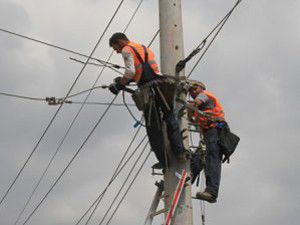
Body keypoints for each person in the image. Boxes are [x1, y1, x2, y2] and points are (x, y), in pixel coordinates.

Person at [108, 32, 185, 168]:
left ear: (120, 42)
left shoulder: (126, 49)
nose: (117, 52)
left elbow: (131, 71)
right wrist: (126, 80)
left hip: (149, 91)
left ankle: (164, 161)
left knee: (153, 127)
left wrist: (120, 85)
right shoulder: (143, 47)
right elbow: (144, 70)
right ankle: (180, 152)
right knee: (169, 117)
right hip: (161, 85)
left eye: (116, 48)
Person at [187, 80, 226, 203]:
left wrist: (186, 109)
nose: (192, 92)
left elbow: (194, 105)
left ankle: (211, 192)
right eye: (189, 91)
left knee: (212, 159)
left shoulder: (204, 94)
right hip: (209, 134)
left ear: (200, 88)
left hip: (215, 131)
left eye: (194, 89)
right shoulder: (201, 105)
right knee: (198, 159)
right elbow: (192, 118)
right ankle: (185, 180)